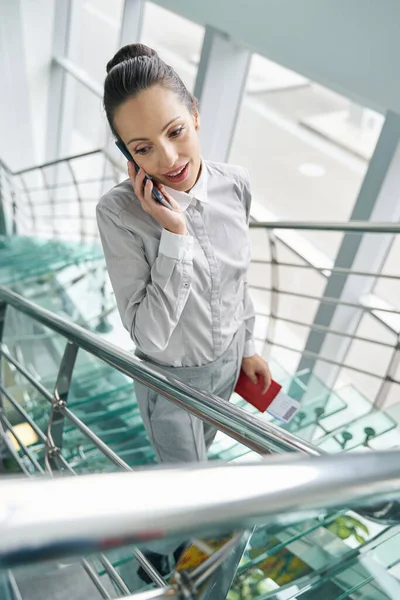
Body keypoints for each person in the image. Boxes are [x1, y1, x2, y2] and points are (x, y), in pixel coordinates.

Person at [97, 43, 272, 467]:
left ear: (194, 113)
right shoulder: (118, 215)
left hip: (230, 359)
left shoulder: (235, 184)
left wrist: (246, 346)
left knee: (208, 449)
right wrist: (175, 233)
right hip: (172, 382)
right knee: (187, 474)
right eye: (143, 148)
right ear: (127, 154)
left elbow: (236, 279)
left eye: (175, 131)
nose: (169, 159)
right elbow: (150, 336)